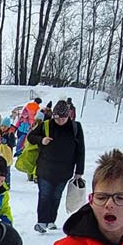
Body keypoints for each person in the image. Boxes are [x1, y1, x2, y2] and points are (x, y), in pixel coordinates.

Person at [29, 98, 86, 233]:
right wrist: (41, 140)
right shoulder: (46, 125)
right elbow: (31, 137)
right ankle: (41, 222)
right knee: (44, 195)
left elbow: (80, 150)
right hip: (45, 168)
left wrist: (79, 170)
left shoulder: (75, 128)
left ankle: (51, 220)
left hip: (65, 170)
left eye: (62, 118)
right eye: (57, 118)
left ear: (68, 116)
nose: (59, 121)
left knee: (56, 196)